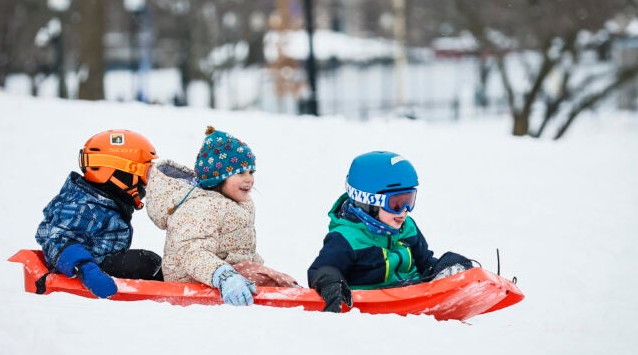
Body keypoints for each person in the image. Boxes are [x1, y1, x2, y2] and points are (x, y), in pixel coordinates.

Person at [145, 126, 298, 306]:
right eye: (240, 173)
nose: (249, 179)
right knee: (272, 280)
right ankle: (294, 300)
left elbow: (239, 251)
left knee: (274, 278)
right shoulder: (200, 206)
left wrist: (261, 268)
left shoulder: (237, 204)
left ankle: (293, 295)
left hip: (227, 275)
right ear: (216, 178)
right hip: (193, 283)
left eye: (251, 172)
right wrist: (224, 276)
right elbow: (192, 252)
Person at [307, 151, 472, 312]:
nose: (404, 212)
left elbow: (425, 263)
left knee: (453, 260)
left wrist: (446, 269)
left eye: (409, 201)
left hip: (413, 294)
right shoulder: (347, 239)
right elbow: (321, 270)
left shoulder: (407, 227)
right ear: (368, 202)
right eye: (396, 204)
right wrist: (330, 282)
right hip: (376, 301)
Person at [35, 130, 163, 298]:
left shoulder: (102, 202)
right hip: (87, 273)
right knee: (147, 262)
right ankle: (172, 293)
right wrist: (87, 270)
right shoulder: (84, 207)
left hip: (95, 267)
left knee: (153, 263)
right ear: (119, 172)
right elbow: (57, 240)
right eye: (146, 174)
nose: (147, 183)